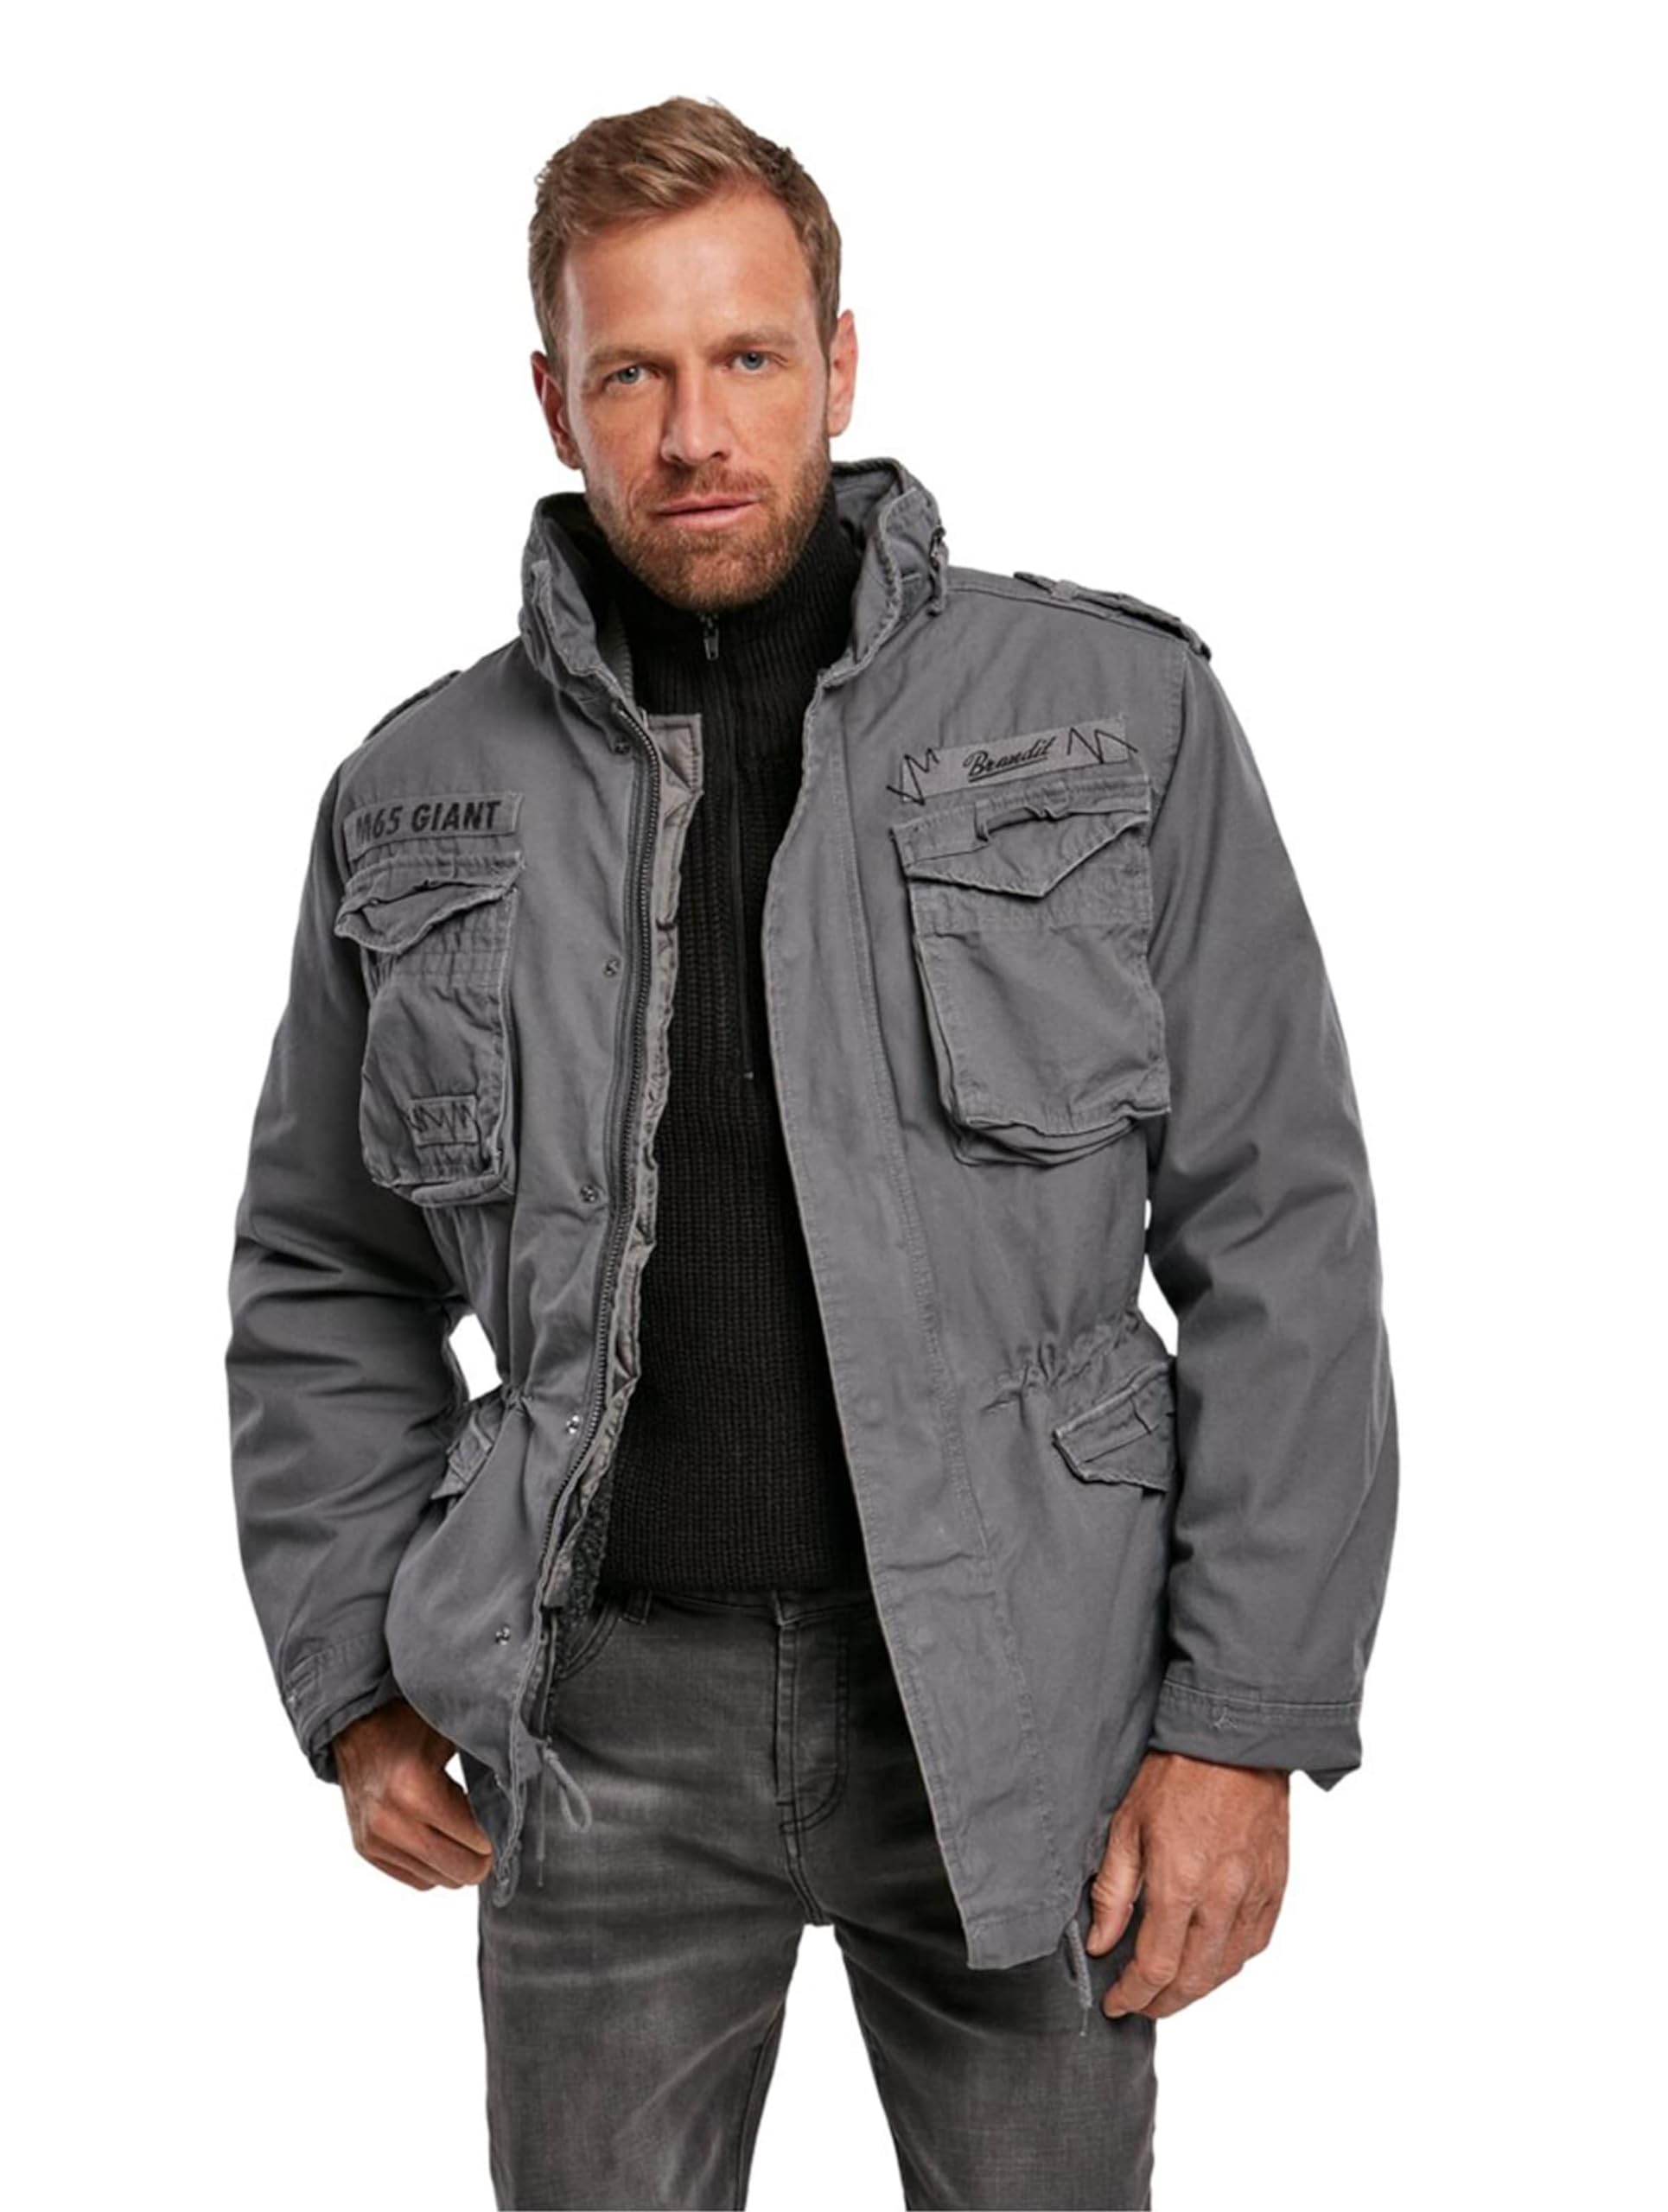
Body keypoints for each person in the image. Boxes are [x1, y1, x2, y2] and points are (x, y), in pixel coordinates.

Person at [226, 92, 1398, 2211]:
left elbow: (1281, 1229)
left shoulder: (1112, 714)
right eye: (633, 373)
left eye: (748, 356)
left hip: (1023, 1688)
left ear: (838, 365)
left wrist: (1238, 1719)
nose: (695, 430)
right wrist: (354, 1685)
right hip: (599, 1721)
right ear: (552, 399)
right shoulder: (413, 792)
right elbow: (321, 1268)